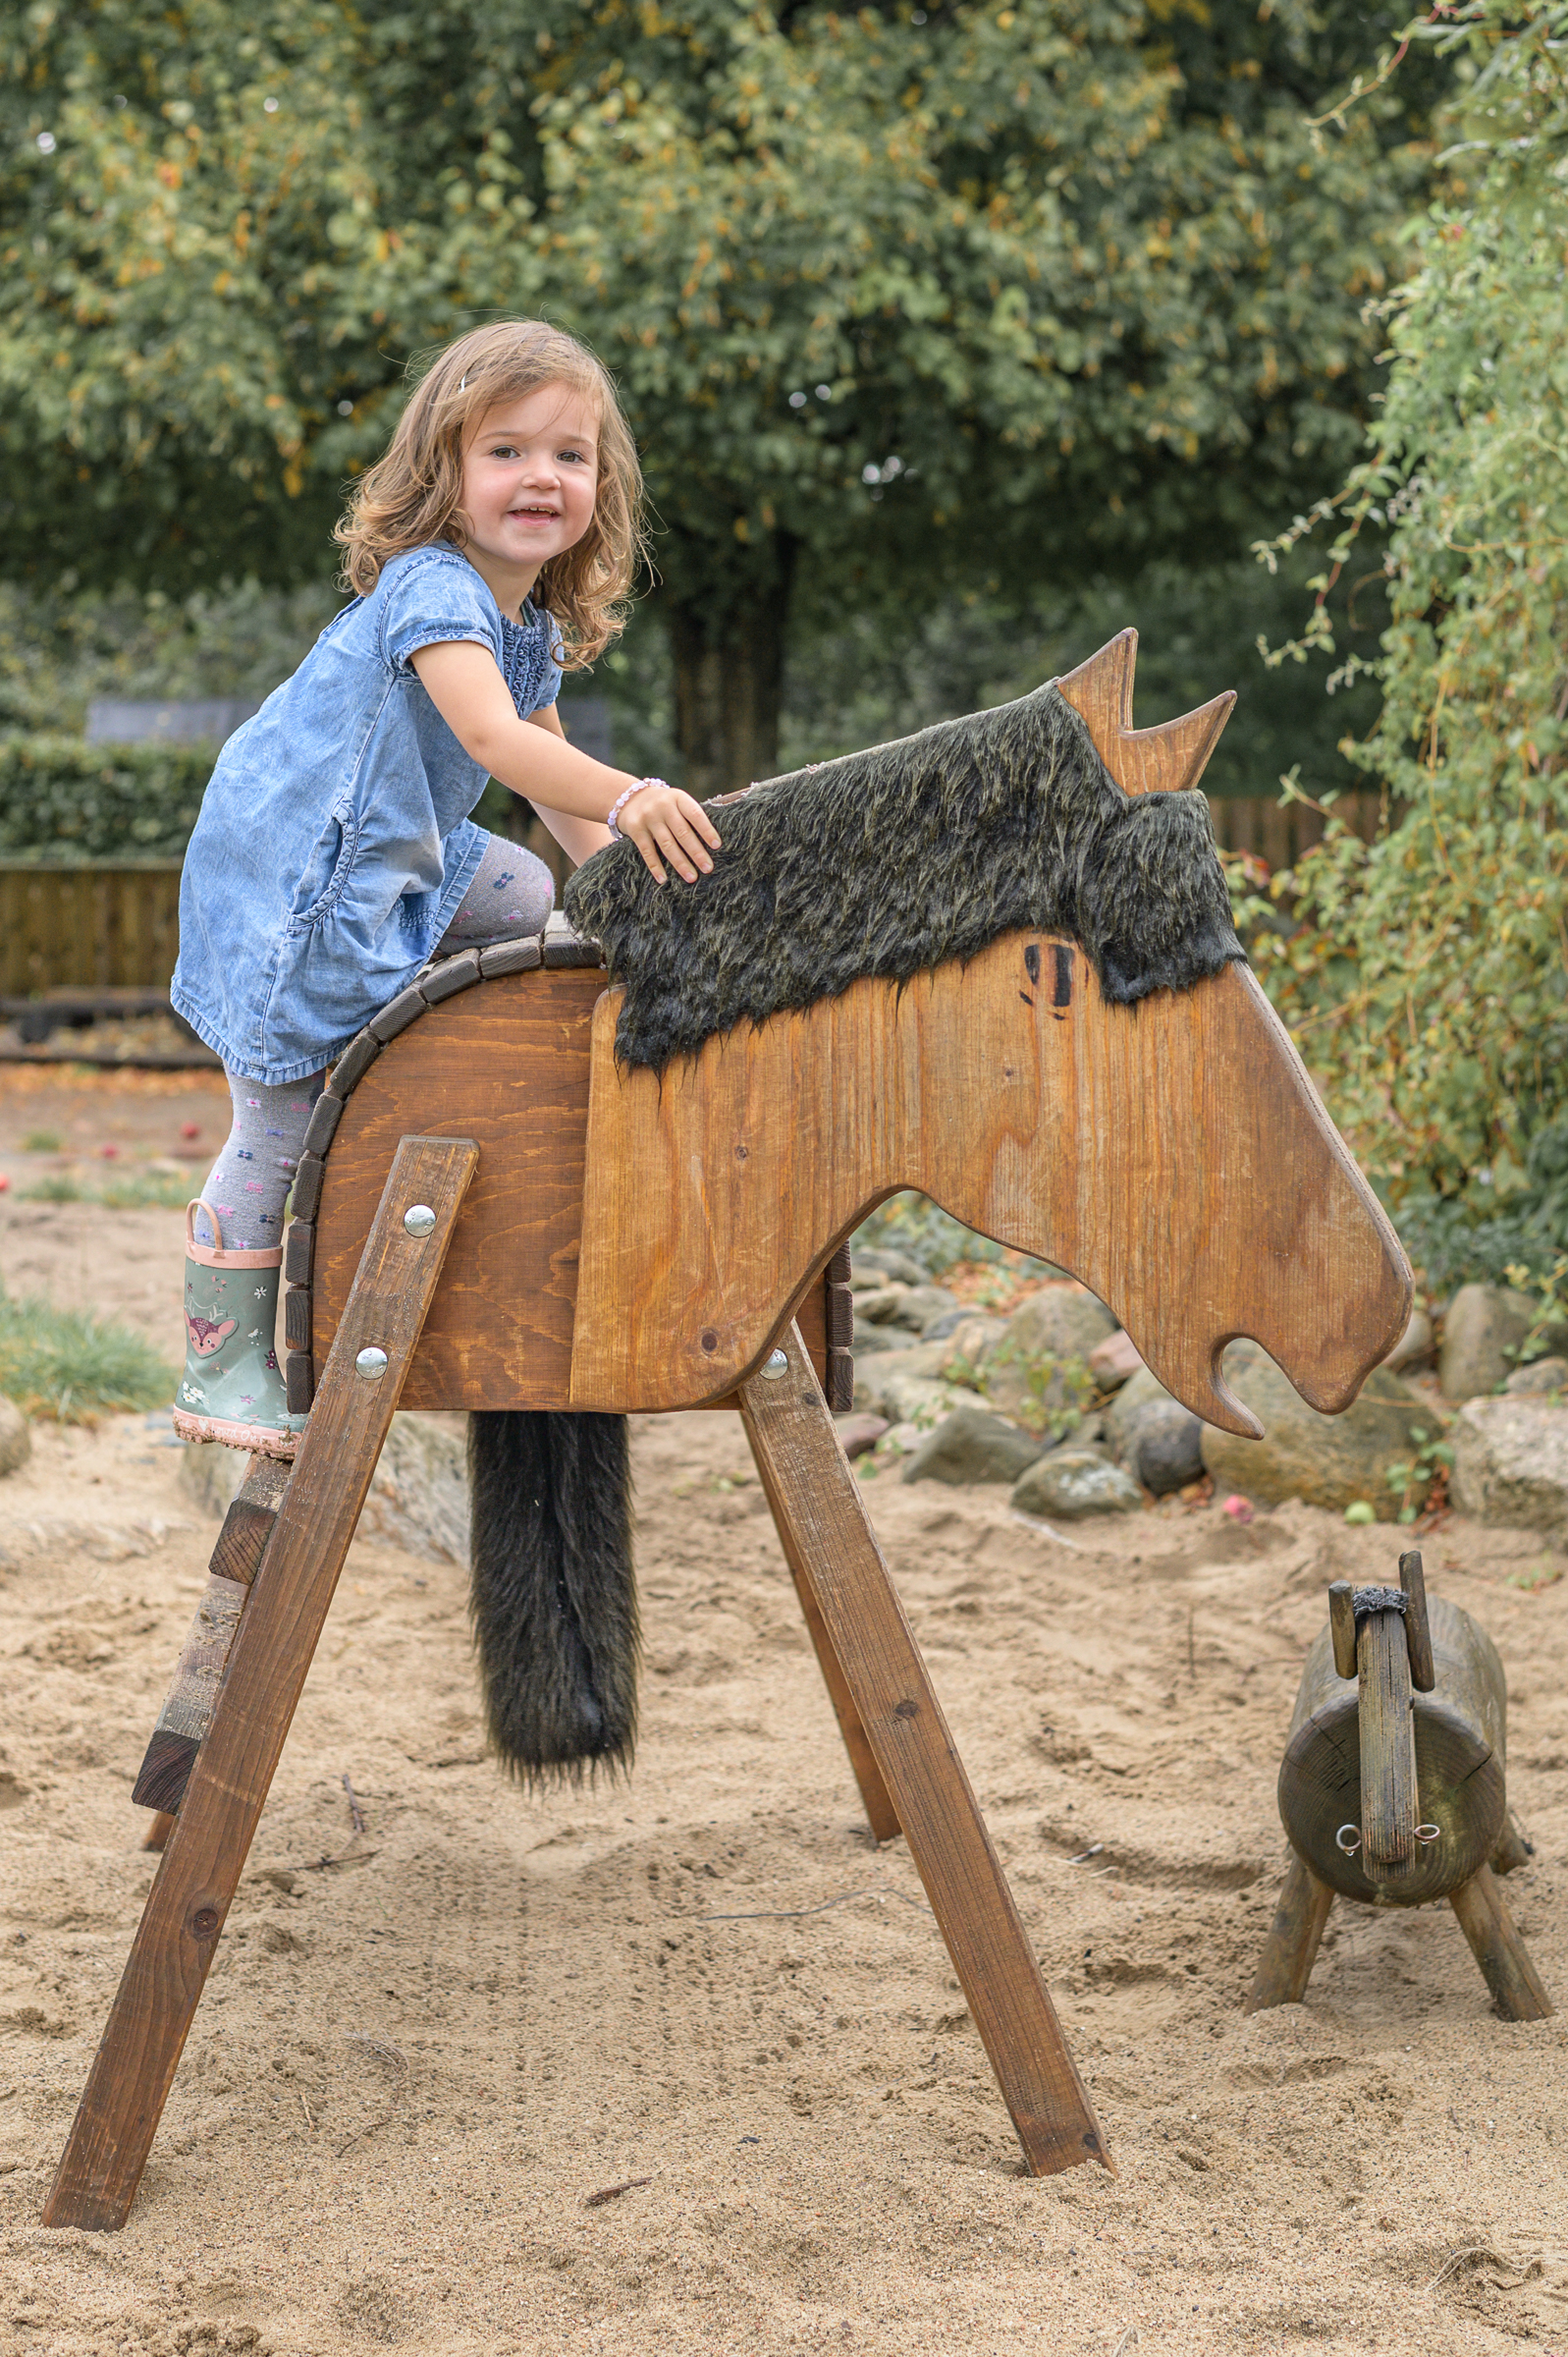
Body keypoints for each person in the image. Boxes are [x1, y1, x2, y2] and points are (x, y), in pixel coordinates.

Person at [168, 318, 720, 1454]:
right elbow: (492, 739)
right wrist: (634, 796)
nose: (541, 478)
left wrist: (632, 886)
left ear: (600, 485)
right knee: (274, 1126)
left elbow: (553, 799)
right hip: (302, 880)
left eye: (570, 456)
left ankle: (420, 1045)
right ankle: (216, 1368)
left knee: (520, 893)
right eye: (506, 451)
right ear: (445, 475)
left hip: (391, 858)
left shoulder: (528, 625)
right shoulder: (434, 587)